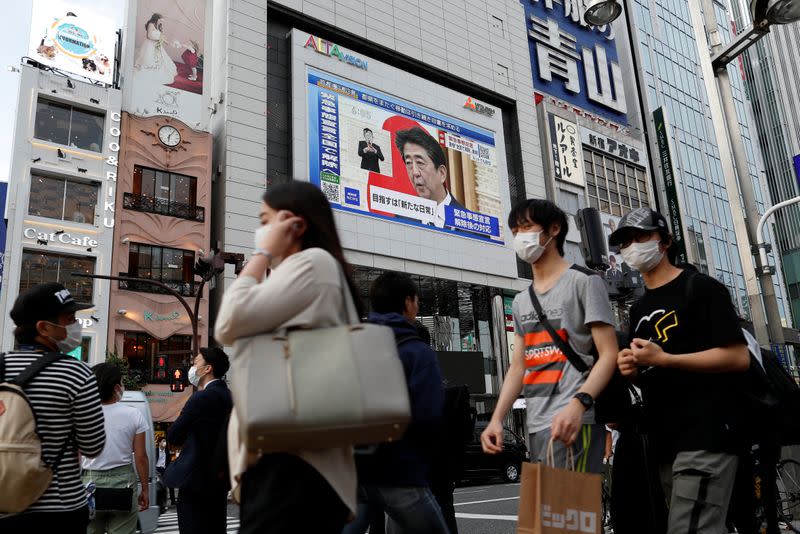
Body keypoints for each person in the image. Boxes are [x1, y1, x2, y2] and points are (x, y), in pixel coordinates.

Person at [215, 180, 363, 533]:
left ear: (295, 224)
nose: (260, 230)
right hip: (294, 457)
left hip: (293, 461)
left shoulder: (312, 263)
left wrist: (261, 255)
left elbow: (227, 322)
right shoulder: (311, 271)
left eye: (266, 221)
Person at [610, 207, 750, 534]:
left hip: (707, 434)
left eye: (643, 236)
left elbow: (737, 357)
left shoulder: (701, 288)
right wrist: (630, 370)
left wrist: (666, 359)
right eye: (627, 240)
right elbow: (649, 374)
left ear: (665, 241)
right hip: (664, 442)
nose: (634, 245)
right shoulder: (640, 308)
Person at [480, 199, 618, 472]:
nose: (520, 236)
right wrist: (497, 418)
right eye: (515, 230)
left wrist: (579, 404)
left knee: (571, 512)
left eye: (527, 226)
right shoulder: (521, 300)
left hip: (575, 420)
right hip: (538, 424)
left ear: (554, 229)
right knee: (546, 514)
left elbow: (609, 353)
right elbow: (519, 366)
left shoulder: (585, 282)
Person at [344, 272, 448, 534]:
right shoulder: (417, 352)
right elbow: (429, 416)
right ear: (408, 303)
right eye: (416, 299)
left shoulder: (352, 345)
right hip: (400, 472)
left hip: (355, 472)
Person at [0, 283, 105, 532]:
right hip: (61, 508)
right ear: (44, 328)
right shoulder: (76, 373)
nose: (75, 326)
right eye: (69, 319)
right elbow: (93, 445)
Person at [166, 347, 233, 534]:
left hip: (195, 478)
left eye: (196, 363)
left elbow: (174, 435)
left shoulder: (200, 398)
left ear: (207, 369)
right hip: (220, 478)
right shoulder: (231, 397)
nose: (192, 368)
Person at [82, 363, 150, 534]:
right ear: (116, 387)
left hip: (89, 483)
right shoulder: (134, 415)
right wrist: (145, 489)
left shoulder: (82, 414)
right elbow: (141, 457)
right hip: (123, 486)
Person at [394, 127, 465, 228]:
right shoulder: (402, 219)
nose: (415, 172)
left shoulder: (471, 225)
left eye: (420, 163)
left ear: (442, 173)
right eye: (409, 163)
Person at [134, 13, 178, 86]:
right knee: (149, 59)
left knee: (161, 59)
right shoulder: (151, 24)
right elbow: (148, 36)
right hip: (150, 45)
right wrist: (158, 39)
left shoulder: (159, 26)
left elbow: (161, 36)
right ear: (157, 18)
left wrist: (169, 43)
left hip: (157, 45)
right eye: (161, 19)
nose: (162, 20)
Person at [156, 438, 176, 509]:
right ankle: (162, 503)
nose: (164, 443)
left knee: (171, 484)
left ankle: (173, 501)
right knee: (161, 487)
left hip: (165, 469)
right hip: (157, 470)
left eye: (165, 441)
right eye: (163, 441)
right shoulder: (156, 451)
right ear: (159, 443)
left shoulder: (166, 451)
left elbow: (169, 461)